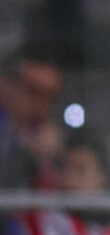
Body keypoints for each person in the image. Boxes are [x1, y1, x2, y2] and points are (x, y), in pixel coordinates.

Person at [0, 54, 64, 190]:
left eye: (50, 96)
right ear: (5, 86)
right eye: (33, 91)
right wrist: (26, 153)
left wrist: (54, 162)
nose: (42, 104)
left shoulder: (55, 136)